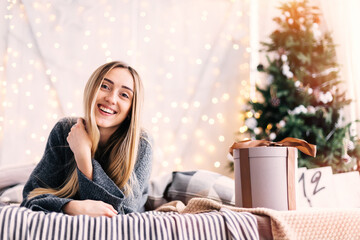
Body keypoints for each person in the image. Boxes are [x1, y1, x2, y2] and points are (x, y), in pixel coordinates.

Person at [21, 61, 153, 217]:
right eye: (104, 86)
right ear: (92, 89)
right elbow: (30, 197)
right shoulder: (64, 130)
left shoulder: (141, 144)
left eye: (124, 95)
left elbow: (122, 213)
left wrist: (83, 155)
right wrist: (73, 207)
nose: (111, 99)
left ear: (132, 108)